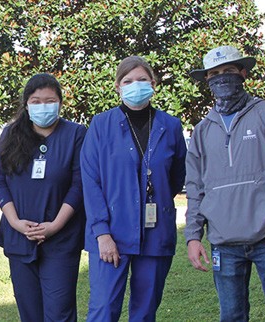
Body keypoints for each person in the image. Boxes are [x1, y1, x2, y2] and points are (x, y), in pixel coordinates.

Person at [185, 45, 265, 321]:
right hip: (224, 244)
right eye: (215, 74)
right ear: (207, 81)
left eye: (228, 71)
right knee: (231, 316)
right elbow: (195, 188)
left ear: (243, 73)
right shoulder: (202, 131)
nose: (222, 78)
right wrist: (193, 236)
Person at [81, 56, 187, 321]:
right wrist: (102, 233)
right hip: (111, 233)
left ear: (153, 84)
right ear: (117, 86)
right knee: (104, 309)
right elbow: (91, 182)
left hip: (156, 232)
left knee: (145, 311)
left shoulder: (171, 126)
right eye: (127, 81)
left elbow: (176, 177)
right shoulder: (100, 125)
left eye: (142, 80)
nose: (135, 85)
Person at [0, 73, 86, 321]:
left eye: (49, 100)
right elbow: (0, 181)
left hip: (61, 239)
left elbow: (79, 185)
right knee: (30, 313)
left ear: (60, 103)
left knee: (59, 313)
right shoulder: (10, 134)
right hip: (19, 236)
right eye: (36, 101)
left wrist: (55, 225)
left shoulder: (76, 134)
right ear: (26, 104)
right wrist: (14, 222)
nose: (43, 106)